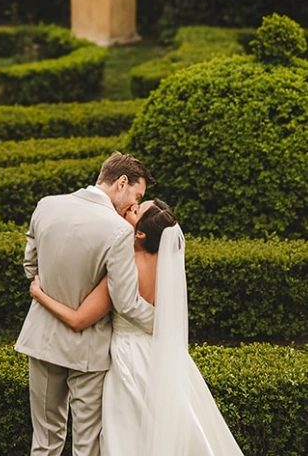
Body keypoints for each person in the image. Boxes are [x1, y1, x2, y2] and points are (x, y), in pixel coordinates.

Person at [29, 201, 245, 456]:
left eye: (135, 211)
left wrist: (39, 294)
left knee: (128, 433)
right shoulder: (167, 266)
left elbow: (79, 319)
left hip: (127, 360)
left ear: (140, 234)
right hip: (160, 354)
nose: (129, 207)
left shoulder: (124, 266)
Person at [15, 152, 155, 456]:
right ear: (121, 183)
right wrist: (160, 320)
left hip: (43, 339)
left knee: (45, 440)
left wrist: (49, 293)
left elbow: (30, 267)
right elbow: (126, 302)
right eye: (137, 195)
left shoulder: (47, 205)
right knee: (86, 444)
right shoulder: (119, 231)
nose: (135, 204)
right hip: (88, 350)